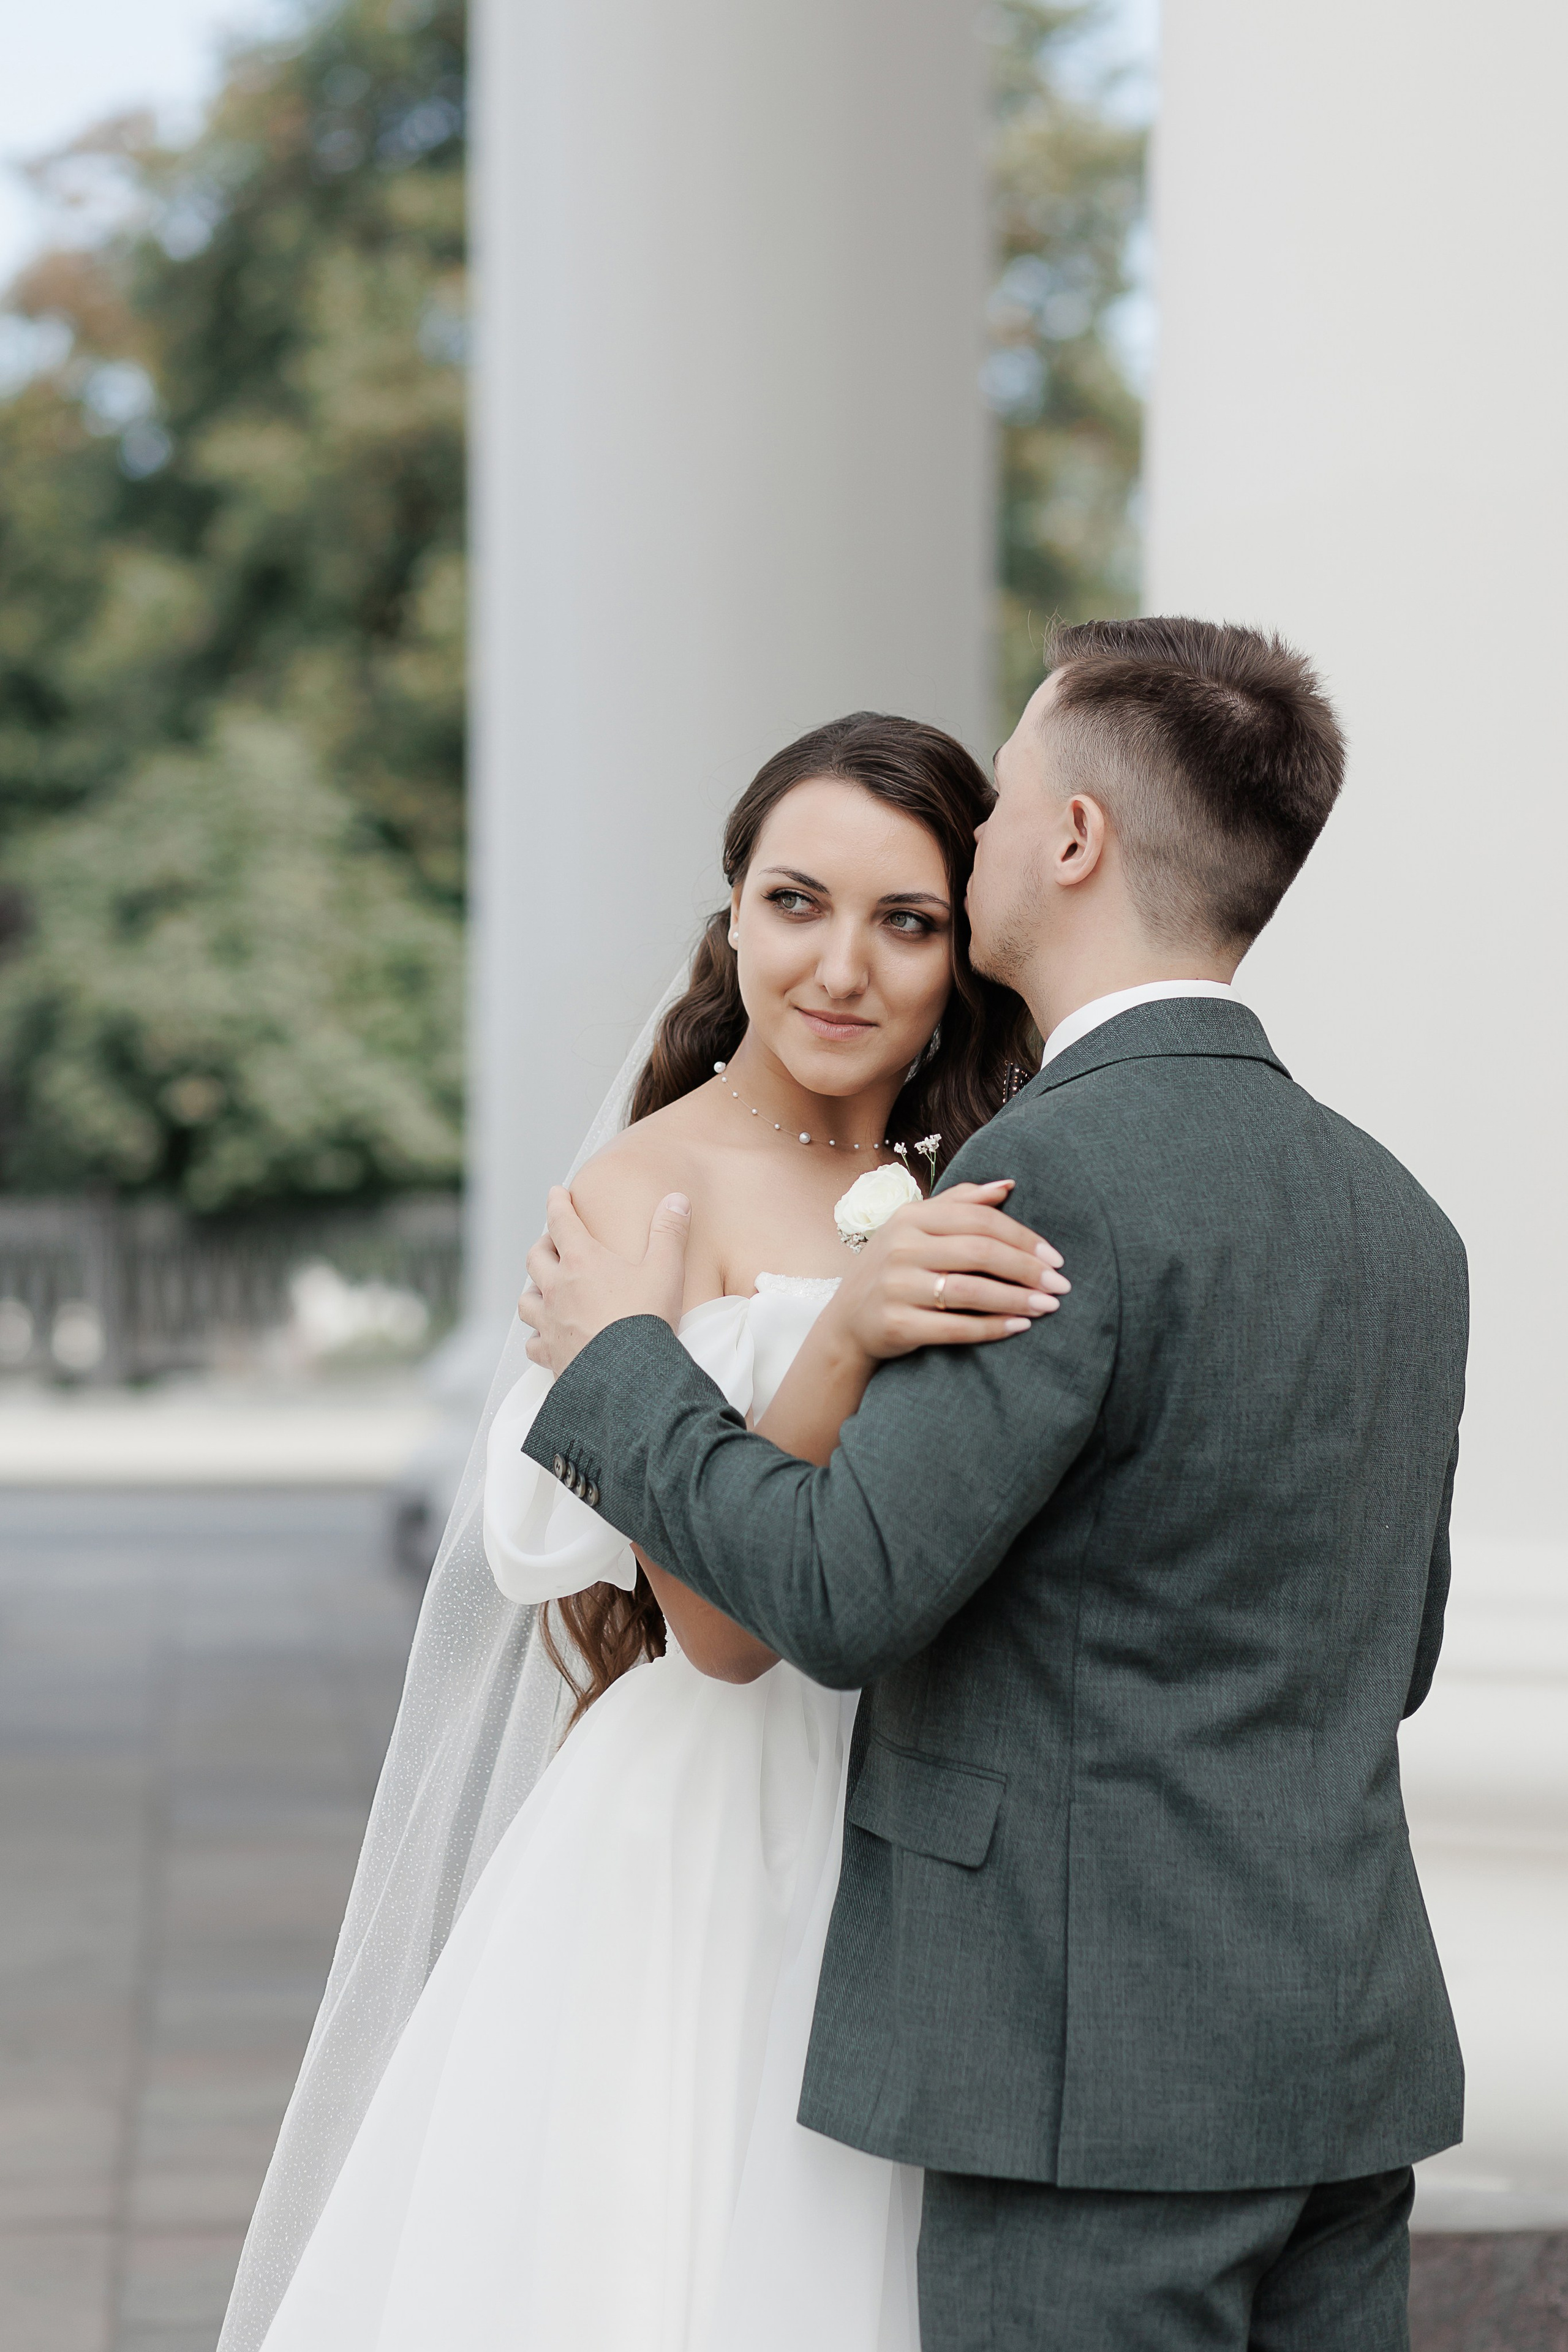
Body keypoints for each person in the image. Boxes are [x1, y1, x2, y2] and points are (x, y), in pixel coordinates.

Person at [519, 617, 1469, 2352]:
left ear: (1074, 841)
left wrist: (615, 1373)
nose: (974, 838)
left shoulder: (1059, 1180)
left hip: (1088, 2067)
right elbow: (1387, 1650)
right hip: (1341, 2047)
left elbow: (838, 1595)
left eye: (999, 797)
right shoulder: (1398, 1216)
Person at [219, 711, 1066, 2352]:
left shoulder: (983, 1171)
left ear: (965, 949)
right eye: (796, 903)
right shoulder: (638, 1198)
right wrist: (842, 1337)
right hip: (720, 1819)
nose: (841, 967)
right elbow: (724, 1629)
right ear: (733, 912)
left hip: (931, 1787)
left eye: (908, 922)